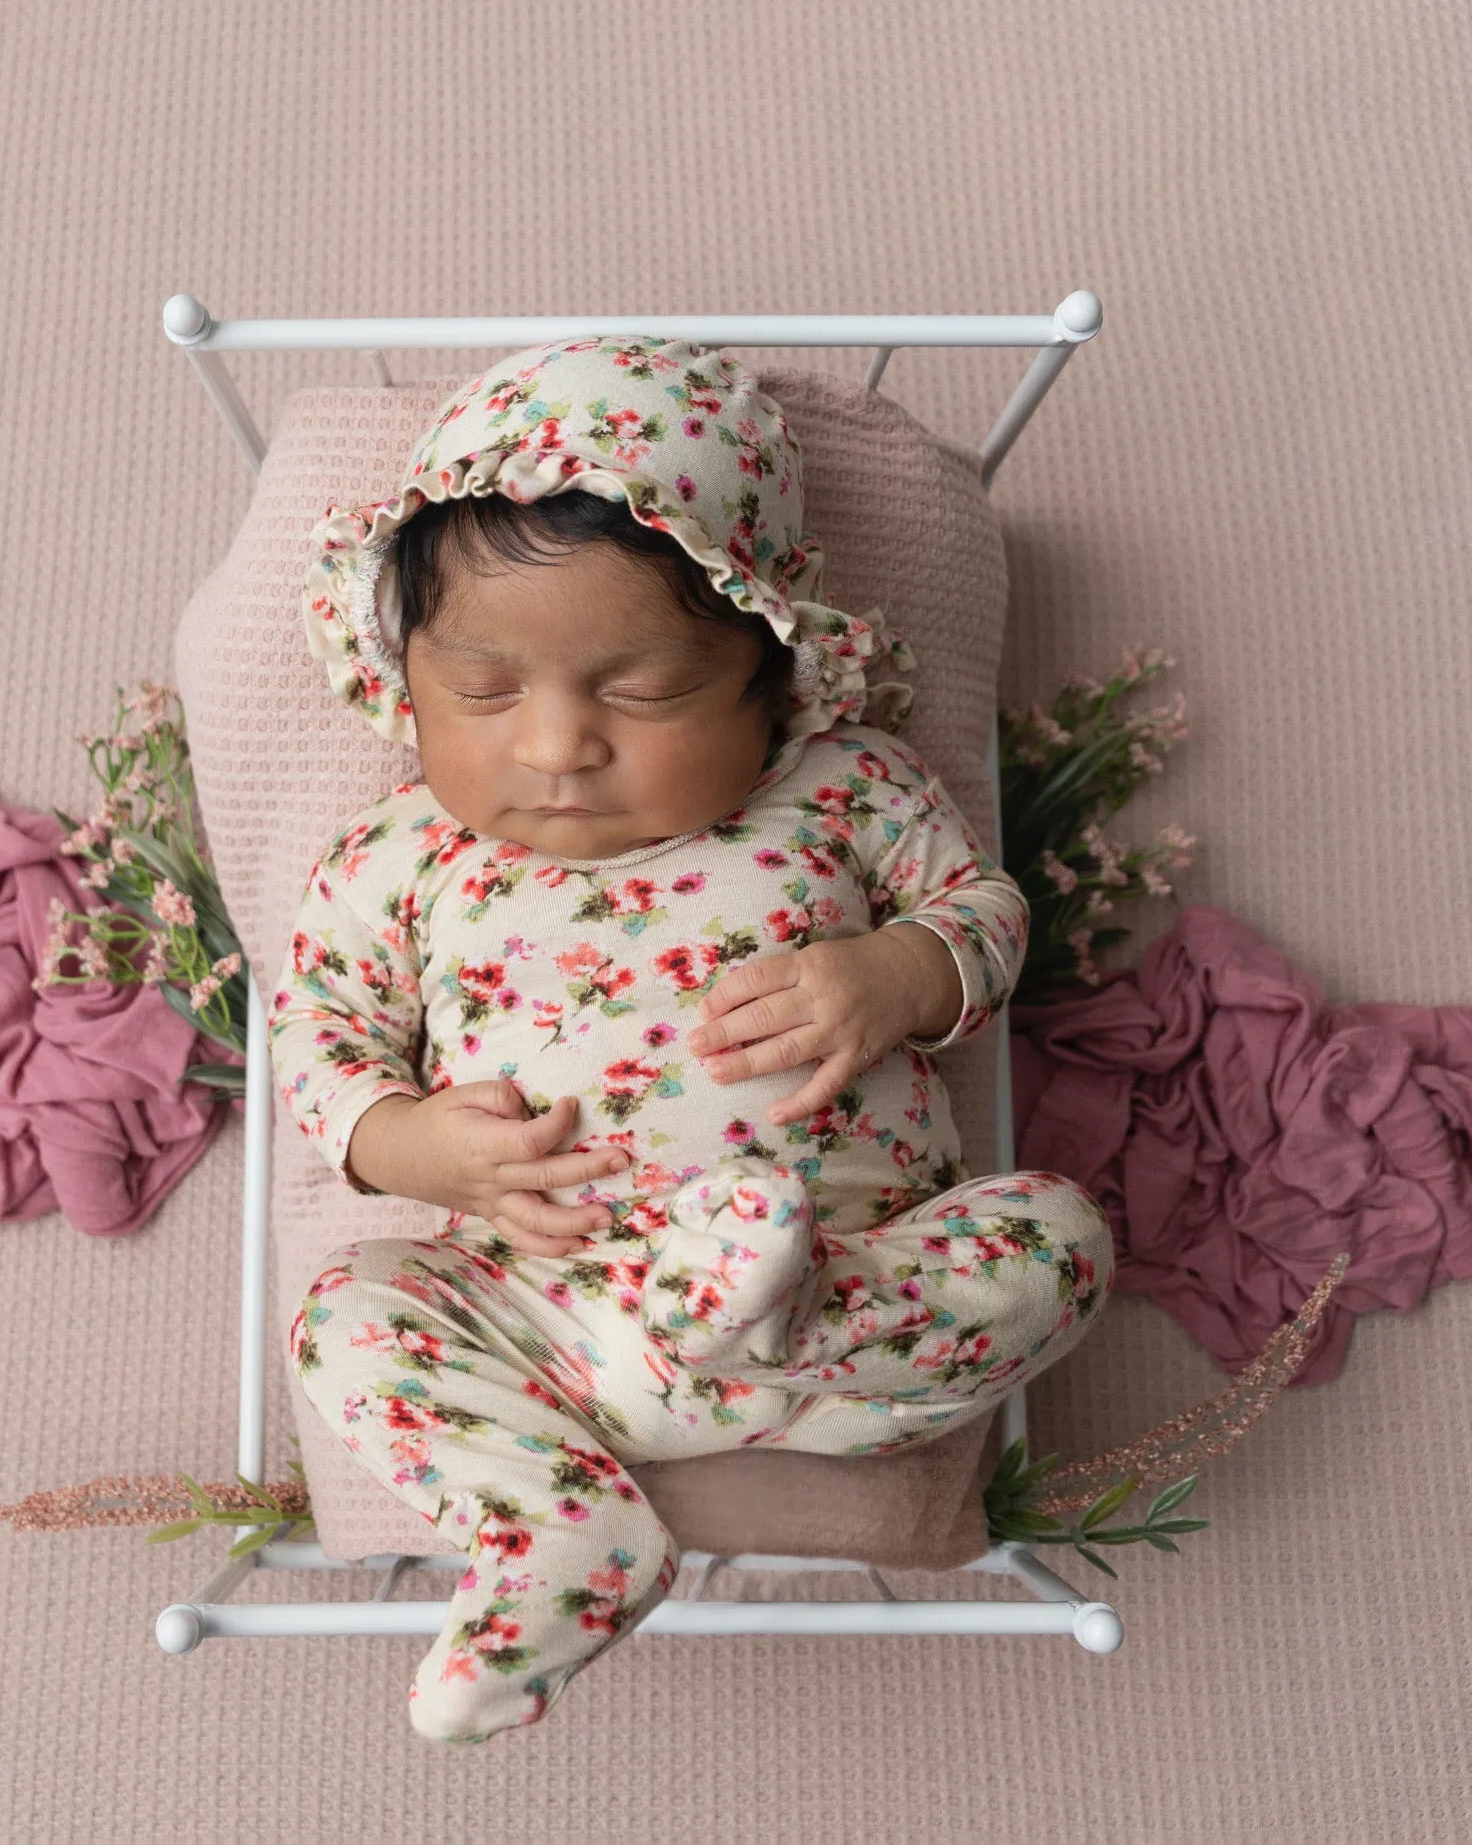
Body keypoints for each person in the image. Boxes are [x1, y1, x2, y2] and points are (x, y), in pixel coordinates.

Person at [273, 334, 1113, 1743]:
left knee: (1058, 1240)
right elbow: (320, 1027)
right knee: (349, 1314)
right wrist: (409, 1140)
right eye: (483, 690)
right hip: (546, 1312)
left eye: (642, 691)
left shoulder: (847, 790)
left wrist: (901, 972)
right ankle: (560, 1528)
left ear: (771, 671)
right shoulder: (398, 856)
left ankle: (756, 1334)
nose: (555, 746)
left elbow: (983, 912)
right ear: (402, 673)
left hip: (835, 1287)